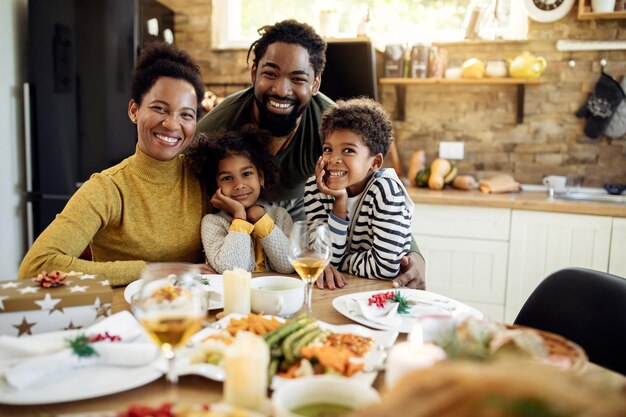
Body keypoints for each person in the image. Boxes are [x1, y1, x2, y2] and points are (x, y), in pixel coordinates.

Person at [196, 19, 425, 290]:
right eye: (270, 74)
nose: (282, 89)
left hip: (300, 215)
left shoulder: (330, 125)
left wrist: (413, 252)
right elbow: (180, 182)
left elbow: (375, 186)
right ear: (254, 72)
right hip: (230, 218)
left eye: (298, 78)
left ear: (315, 84)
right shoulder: (218, 124)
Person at [18, 41, 214, 286]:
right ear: (134, 110)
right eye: (160, 108)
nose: (173, 125)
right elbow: (36, 266)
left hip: (196, 316)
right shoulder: (106, 189)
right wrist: (152, 271)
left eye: (186, 114)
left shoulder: (204, 178)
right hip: (124, 318)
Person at [304, 98, 413, 279]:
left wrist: (341, 261)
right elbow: (322, 258)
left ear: (375, 162)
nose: (333, 159)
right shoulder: (315, 188)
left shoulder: (386, 192)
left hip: (378, 294)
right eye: (328, 149)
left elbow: (385, 268)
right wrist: (340, 203)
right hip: (341, 289)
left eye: (348, 150)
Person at [185, 125, 294, 274]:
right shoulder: (213, 223)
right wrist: (239, 216)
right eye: (227, 178)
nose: (239, 185)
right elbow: (230, 269)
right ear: (215, 185)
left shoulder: (280, 216)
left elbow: (288, 265)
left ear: (261, 177)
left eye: (247, 174)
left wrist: (260, 218)